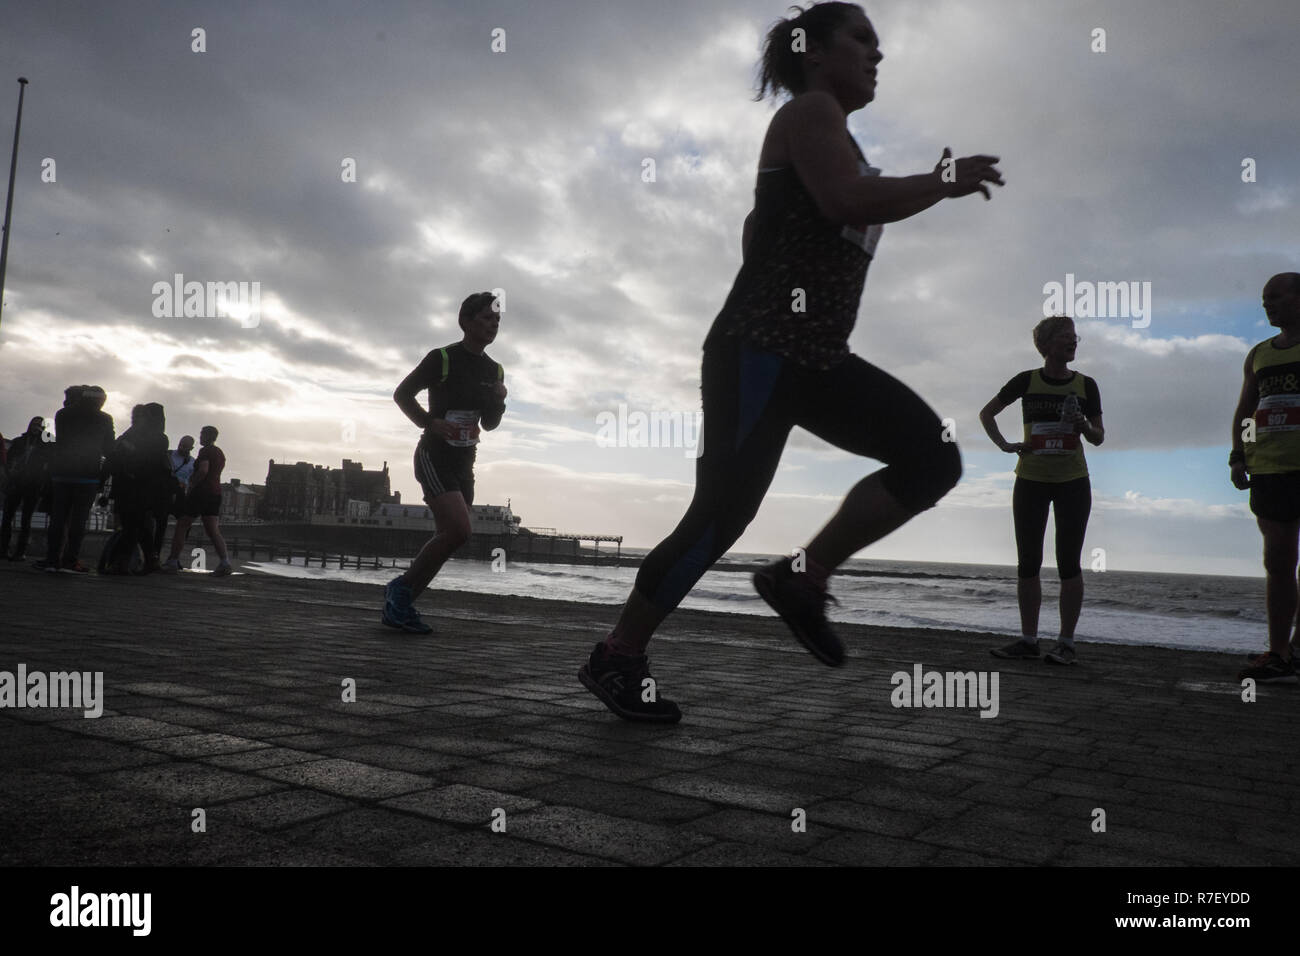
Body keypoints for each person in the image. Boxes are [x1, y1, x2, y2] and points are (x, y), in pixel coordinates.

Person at [577, 1, 1003, 723]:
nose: (877, 55)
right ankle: (618, 656)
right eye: (861, 40)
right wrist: (941, 181)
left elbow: (763, 232)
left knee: (932, 458)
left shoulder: (831, 134)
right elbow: (844, 198)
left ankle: (802, 578)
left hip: (815, 357)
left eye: (878, 43)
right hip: (761, 352)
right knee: (720, 516)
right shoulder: (810, 112)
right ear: (814, 53)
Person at [979, 316, 1104, 665]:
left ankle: (1066, 643)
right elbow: (987, 413)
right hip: (1030, 480)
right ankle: (1029, 640)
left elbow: (1099, 436)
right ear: (1046, 345)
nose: (1073, 342)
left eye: (1074, 337)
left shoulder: (1086, 385)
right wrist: (1005, 445)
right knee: (1028, 562)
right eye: (1065, 337)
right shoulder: (1026, 380)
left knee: (1069, 563)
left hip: (1073, 482)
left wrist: (1084, 427)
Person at [383, 291, 507, 633]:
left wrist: (499, 401)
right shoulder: (442, 358)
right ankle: (400, 591)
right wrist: (429, 422)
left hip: (465, 461)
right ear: (465, 321)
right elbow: (402, 394)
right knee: (459, 529)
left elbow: (490, 424)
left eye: (497, 320)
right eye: (485, 318)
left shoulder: (493, 370)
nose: (493, 325)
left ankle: (401, 604)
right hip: (434, 455)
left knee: (452, 535)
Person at [1233, 272, 1300, 683]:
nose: (1267, 304)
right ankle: (1279, 652)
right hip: (1270, 469)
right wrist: (1238, 457)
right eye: (1263, 298)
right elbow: (1245, 411)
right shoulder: (1258, 354)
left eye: (1275, 296)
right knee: (1278, 560)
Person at [38, 385, 115, 573]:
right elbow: (109, 449)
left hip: (61, 473)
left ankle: (51, 559)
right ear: (100, 401)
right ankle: (70, 561)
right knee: (78, 521)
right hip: (87, 475)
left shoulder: (63, 414)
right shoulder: (104, 418)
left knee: (58, 519)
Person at [104, 403, 170, 574]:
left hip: (136, 486)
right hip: (141, 487)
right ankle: (150, 560)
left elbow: (143, 459)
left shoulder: (139, 436)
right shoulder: (158, 437)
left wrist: (130, 451)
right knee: (140, 526)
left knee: (133, 526)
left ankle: (123, 562)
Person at [160, 425, 232, 576]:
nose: (200, 437)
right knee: (213, 530)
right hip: (215, 493)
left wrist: (192, 483)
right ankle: (225, 562)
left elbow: (204, 470)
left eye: (201, 434)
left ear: (207, 436)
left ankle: (172, 561)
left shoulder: (205, 451)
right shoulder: (220, 453)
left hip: (201, 493)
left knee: (182, 525)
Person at [1, 416, 50, 561]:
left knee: (24, 519)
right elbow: (8, 461)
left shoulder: (44, 444)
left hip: (31, 484)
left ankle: (19, 551)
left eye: (39, 425)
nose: (36, 427)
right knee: (9, 517)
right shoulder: (19, 442)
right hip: (18, 482)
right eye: (35, 425)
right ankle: (4, 549)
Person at [152, 434, 196, 565]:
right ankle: (155, 556)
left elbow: (192, 479)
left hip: (180, 495)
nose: (182, 447)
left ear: (191, 448)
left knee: (185, 525)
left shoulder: (193, 462)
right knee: (161, 525)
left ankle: (174, 557)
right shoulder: (168, 455)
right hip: (165, 493)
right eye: (181, 444)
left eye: (185, 446)